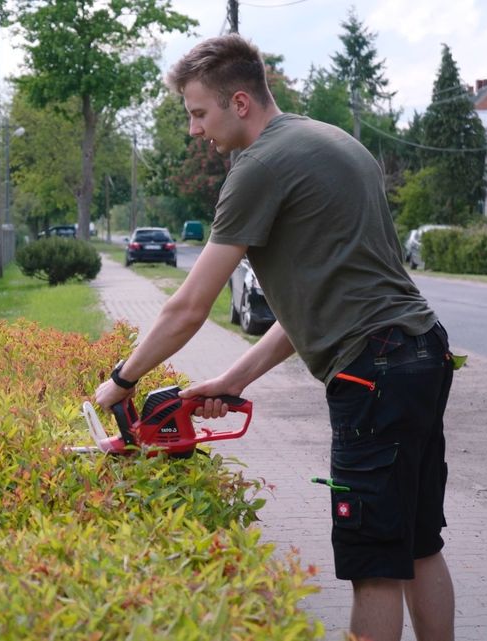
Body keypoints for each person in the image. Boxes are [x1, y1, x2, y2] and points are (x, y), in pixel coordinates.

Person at [92, 34, 456, 641]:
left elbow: (188, 307)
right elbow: (319, 301)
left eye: (198, 113)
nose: (194, 130)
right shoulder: (335, 142)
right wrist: (233, 378)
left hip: (373, 373)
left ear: (239, 102)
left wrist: (121, 380)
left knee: (374, 567)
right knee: (417, 545)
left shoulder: (258, 167)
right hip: (421, 353)